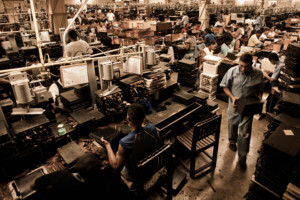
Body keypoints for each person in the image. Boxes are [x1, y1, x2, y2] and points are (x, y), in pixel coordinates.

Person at [220, 53, 264, 169]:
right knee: (232, 124)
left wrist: (258, 101)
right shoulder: (232, 71)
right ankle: (232, 141)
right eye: (241, 66)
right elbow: (225, 86)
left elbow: (260, 90)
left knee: (245, 133)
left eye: (246, 66)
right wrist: (232, 97)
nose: (243, 69)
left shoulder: (258, 74)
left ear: (252, 64)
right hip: (234, 105)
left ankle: (242, 158)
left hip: (248, 108)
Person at [101, 103, 158, 182]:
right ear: (143, 117)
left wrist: (107, 145)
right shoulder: (152, 128)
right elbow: (151, 135)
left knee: (113, 164)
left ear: (128, 118)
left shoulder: (125, 142)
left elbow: (116, 167)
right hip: (151, 168)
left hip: (135, 175)